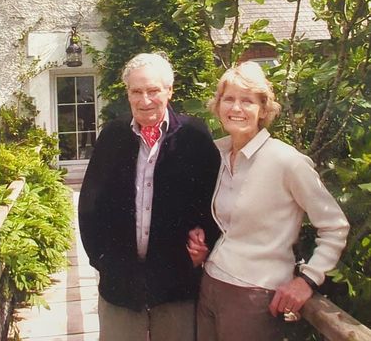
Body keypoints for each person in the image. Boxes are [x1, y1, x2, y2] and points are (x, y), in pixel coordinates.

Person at [187, 61, 350, 341]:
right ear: (217, 106)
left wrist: (308, 279)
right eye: (229, 99)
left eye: (247, 101)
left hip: (254, 297)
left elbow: (335, 226)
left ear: (263, 110)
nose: (236, 108)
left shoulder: (286, 161)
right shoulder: (220, 154)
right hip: (210, 285)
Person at [78, 52, 220, 341]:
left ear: (169, 91)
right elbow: (90, 205)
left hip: (176, 280)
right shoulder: (113, 136)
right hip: (120, 280)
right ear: (127, 93)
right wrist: (101, 259)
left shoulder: (194, 136)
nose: (145, 100)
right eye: (137, 91)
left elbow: (214, 200)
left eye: (153, 90)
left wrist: (205, 246)